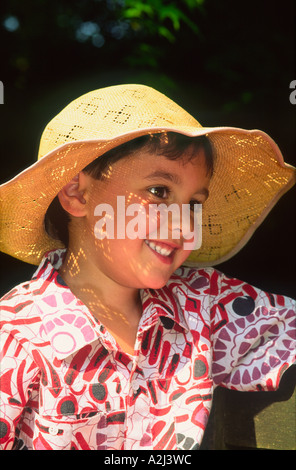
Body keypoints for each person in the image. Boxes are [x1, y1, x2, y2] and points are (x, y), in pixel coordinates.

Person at [0, 84, 295, 451]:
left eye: (194, 204)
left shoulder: (201, 304)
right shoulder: (16, 337)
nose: (185, 226)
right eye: (159, 192)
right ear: (77, 193)